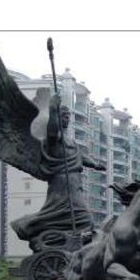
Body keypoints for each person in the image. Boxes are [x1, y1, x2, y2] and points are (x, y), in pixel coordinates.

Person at [12, 94, 106, 249]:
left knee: (72, 217)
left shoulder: (69, 141)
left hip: (74, 182)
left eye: (68, 117)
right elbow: (52, 132)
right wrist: (54, 109)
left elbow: (80, 156)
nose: (67, 119)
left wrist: (95, 165)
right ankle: (29, 226)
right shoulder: (54, 139)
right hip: (62, 183)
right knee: (82, 217)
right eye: (64, 117)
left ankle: (64, 241)